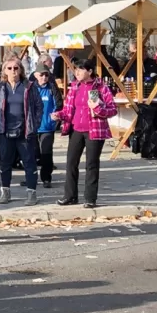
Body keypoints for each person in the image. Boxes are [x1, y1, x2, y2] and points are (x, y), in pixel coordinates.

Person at [53, 59, 117, 208]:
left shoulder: (100, 88)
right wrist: (59, 114)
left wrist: (98, 109)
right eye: (76, 70)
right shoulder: (74, 87)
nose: (77, 72)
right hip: (76, 129)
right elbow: (69, 110)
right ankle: (70, 196)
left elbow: (112, 109)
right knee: (71, 163)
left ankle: (90, 198)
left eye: (81, 70)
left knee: (91, 164)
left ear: (89, 71)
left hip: (94, 130)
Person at [0, 56, 44, 206]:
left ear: (21, 70)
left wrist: (35, 124)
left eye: (16, 68)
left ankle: (31, 193)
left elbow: (39, 107)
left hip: (25, 131)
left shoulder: (29, 86)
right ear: (4, 71)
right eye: (9, 68)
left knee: (29, 162)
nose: (13, 71)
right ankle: (5, 192)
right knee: (5, 162)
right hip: (4, 131)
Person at [33, 64, 64, 189]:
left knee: (46, 153)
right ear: (36, 75)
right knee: (32, 154)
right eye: (42, 75)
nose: (44, 77)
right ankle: (31, 178)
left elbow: (59, 104)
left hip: (47, 126)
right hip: (33, 127)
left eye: (47, 75)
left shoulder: (52, 88)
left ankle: (46, 178)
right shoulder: (31, 88)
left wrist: (56, 116)